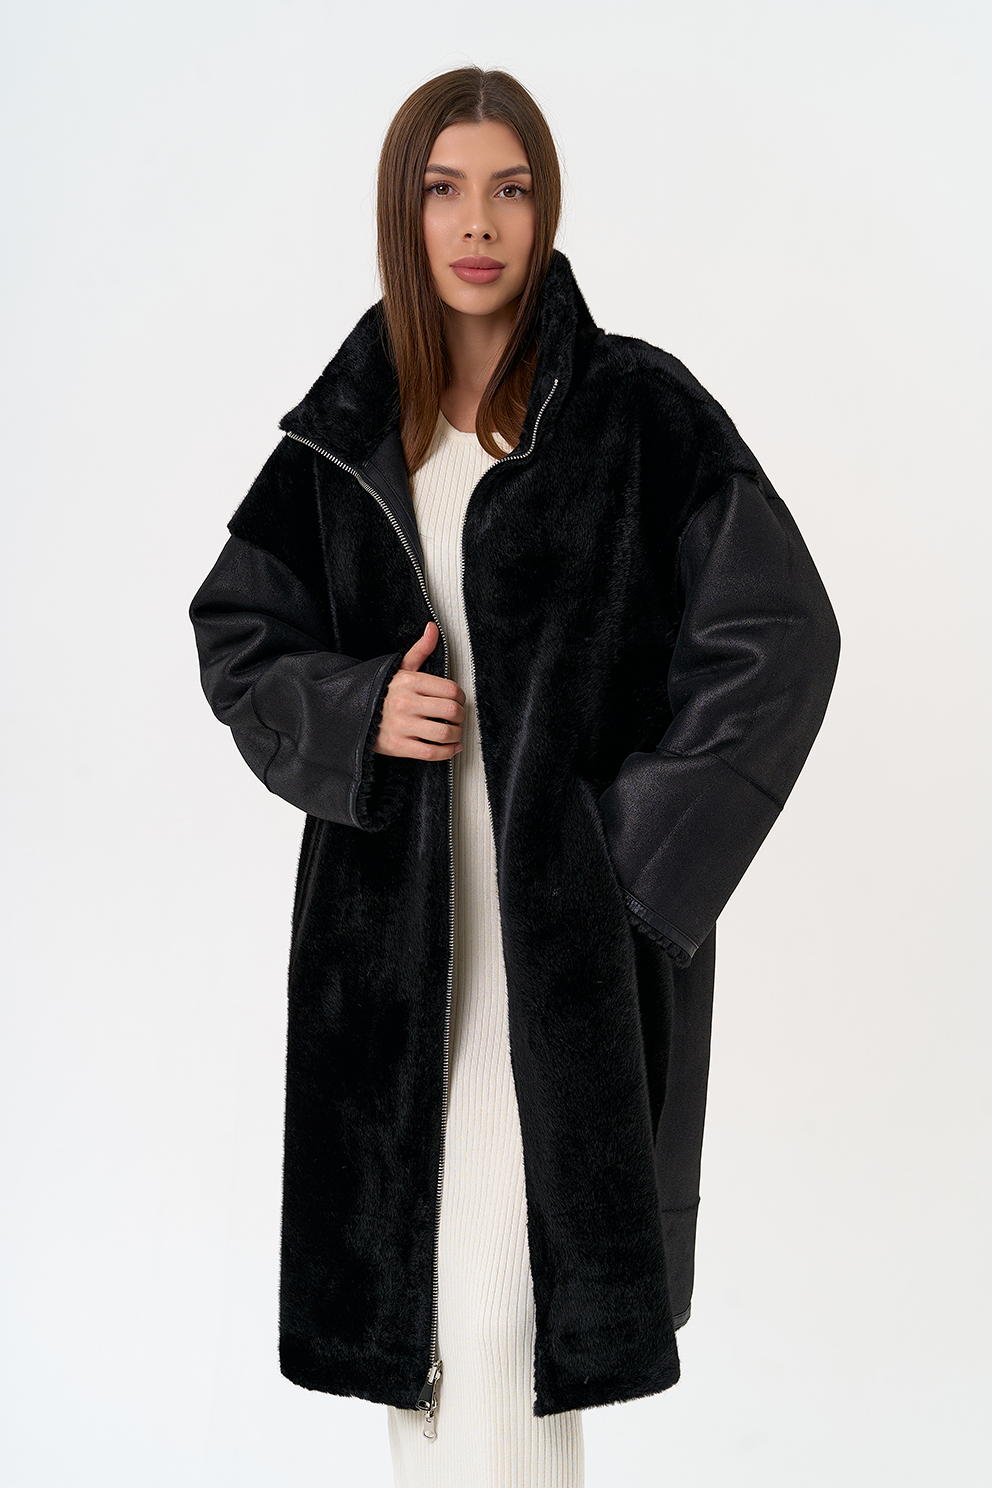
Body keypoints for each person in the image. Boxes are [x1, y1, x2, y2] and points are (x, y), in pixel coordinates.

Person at [188, 66, 841, 1488]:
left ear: (546, 210)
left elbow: (779, 634)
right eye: (444, 189)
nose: (477, 223)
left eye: (510, 188)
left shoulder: (636, 413)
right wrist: (359, 708)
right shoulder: (349, 434)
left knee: (506, 1334)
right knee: (424, 1359)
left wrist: (632, 859)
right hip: (390, 967)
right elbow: (238, 636)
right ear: (403, 211)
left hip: (562, 969)